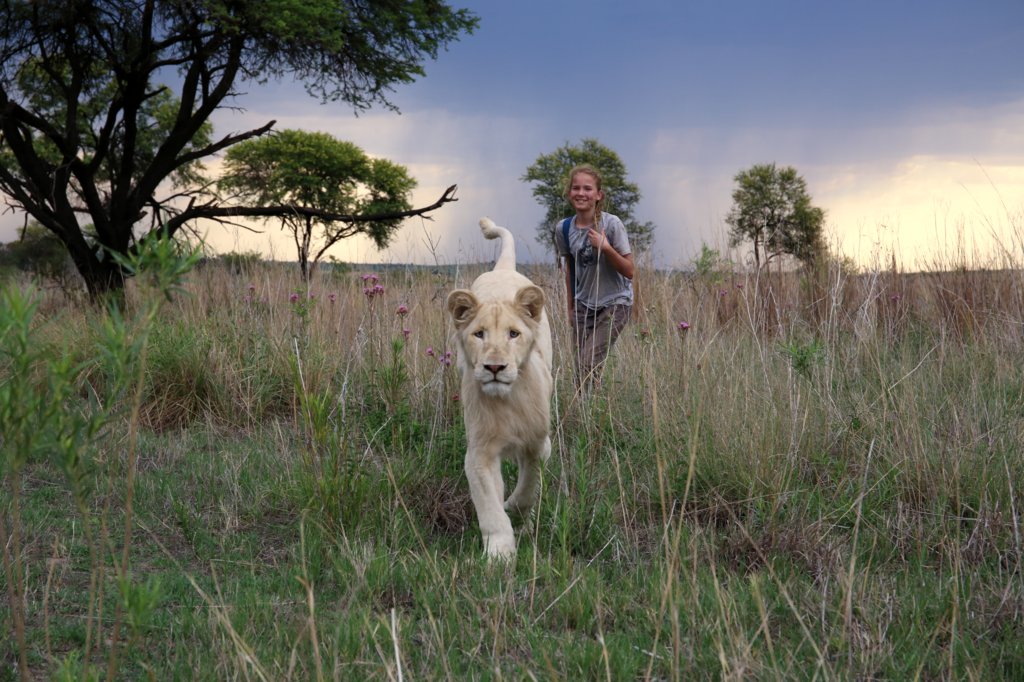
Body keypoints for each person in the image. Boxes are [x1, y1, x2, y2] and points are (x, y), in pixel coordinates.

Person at [553, 164, 634, 388]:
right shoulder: (564, 228)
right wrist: (570, 307)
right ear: (570, 193)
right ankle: (589, 416)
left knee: (587, 363)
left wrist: (606, 248)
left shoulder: (611, 224)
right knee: (582, 368)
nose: (581, 193)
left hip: (615, 304)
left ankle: (592, 413)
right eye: (576, 188)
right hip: (583, 306)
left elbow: (629, 270)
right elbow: (570, 267)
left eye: (588, 189)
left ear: (598, 195)